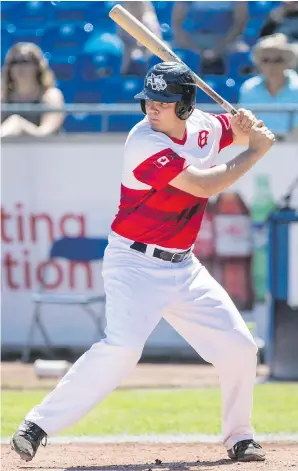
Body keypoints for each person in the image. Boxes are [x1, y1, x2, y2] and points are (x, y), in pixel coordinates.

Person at [11, 62, 275, 464]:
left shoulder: (202, 124)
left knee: (240, 348)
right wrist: (255, 151)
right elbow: (205, 185)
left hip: (183, 267)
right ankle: (36, 425)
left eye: (164, 101)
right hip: (134, 264)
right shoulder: (143, 141)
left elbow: (233, 130)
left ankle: (240, 436)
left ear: (185, 106)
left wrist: (247, 126)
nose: (153, 107)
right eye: (149, 99)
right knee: (123, 347)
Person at [239, 34, 298, 139]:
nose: (272, 65)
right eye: (266, 60)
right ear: (259, 63)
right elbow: (244, 128)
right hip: (258, 150)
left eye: (278, 60)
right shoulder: (248, 88)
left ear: (287, 62)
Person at [1, 42, 65, 137]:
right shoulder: (3, 96)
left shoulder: (50, 95)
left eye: (25, 61)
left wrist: (20, 126)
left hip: (45, 149)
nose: (19, 67)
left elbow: (46, 133)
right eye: (13, 62)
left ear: (38, 67)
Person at [172, 1, 249, 74]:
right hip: (195, 40)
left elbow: (240, 23)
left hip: (227, 40)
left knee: (244, 53)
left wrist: (220, 47)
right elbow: (177, 24)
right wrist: (196, 50)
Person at [259, 1, 298, 67]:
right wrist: (273, 21)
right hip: (275, 46)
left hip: (293, 49)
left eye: (295, 2)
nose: (289, 4)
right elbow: (263, 36)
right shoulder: (277, 14)